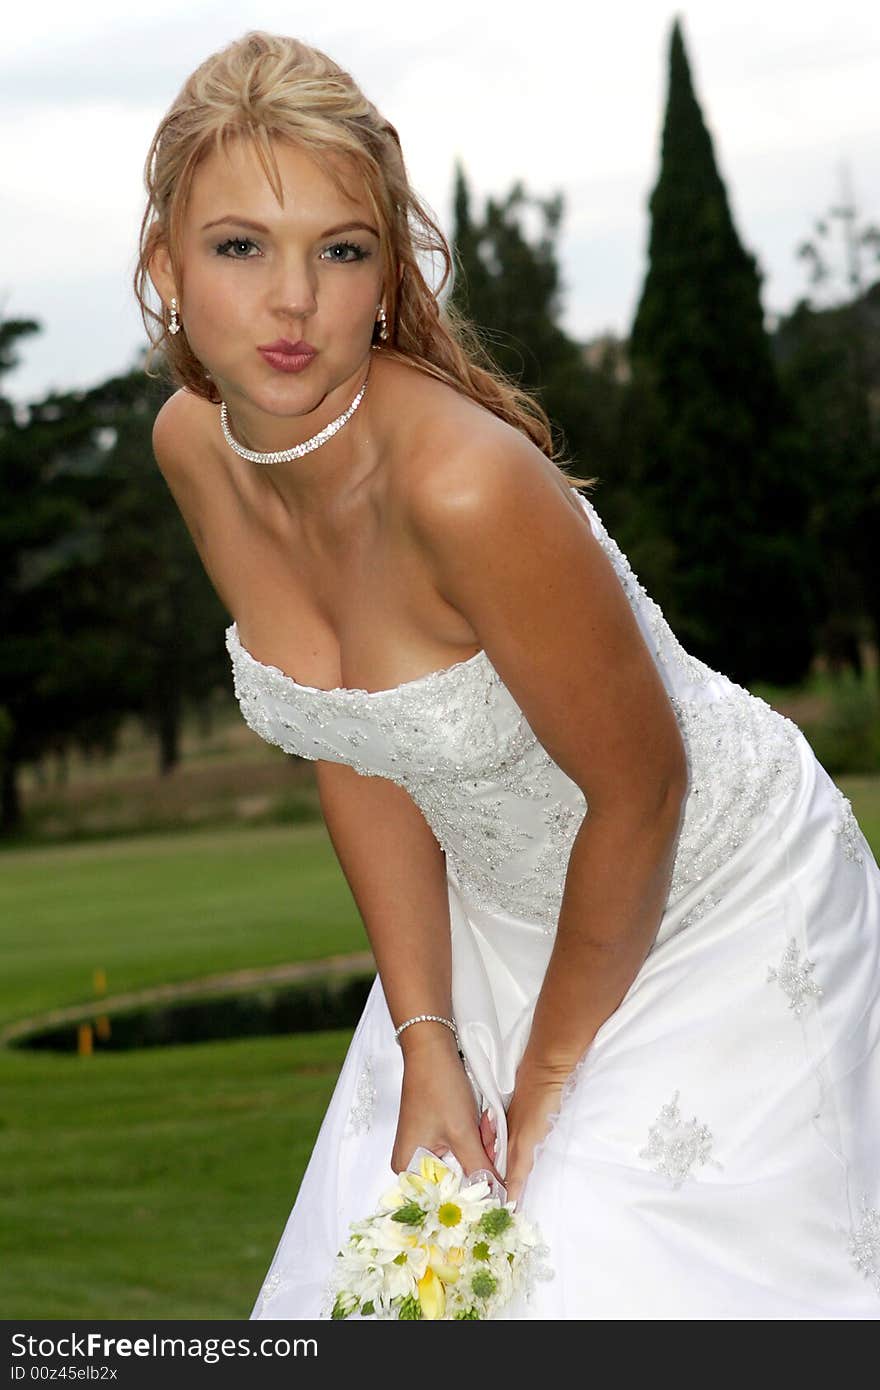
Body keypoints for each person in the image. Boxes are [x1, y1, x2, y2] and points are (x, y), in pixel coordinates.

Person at [136, 31, 880, 1320]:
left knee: (583, 1270)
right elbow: (357, 739)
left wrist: (542, 1078)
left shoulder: (465, 485)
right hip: (487, 923)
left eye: (341, 248)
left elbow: (643, 792)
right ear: (166, 266)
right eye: (240, 246)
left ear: (388, 274)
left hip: (711, 894)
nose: (293, 301)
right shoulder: (195, 450)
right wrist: (430, 1041)